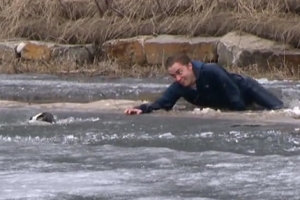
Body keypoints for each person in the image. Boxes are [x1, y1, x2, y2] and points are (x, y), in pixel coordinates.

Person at [124, 52, 284, 115]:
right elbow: (162, 103)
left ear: (189, 66)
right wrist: (141, 109)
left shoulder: (211, 70)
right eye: (173, 76)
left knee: (279, 110)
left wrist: (241, 115)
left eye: (179, 73)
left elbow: (235, 96)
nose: (178, 78)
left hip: (247, 90)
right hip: (227, 101)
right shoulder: (179, 87)